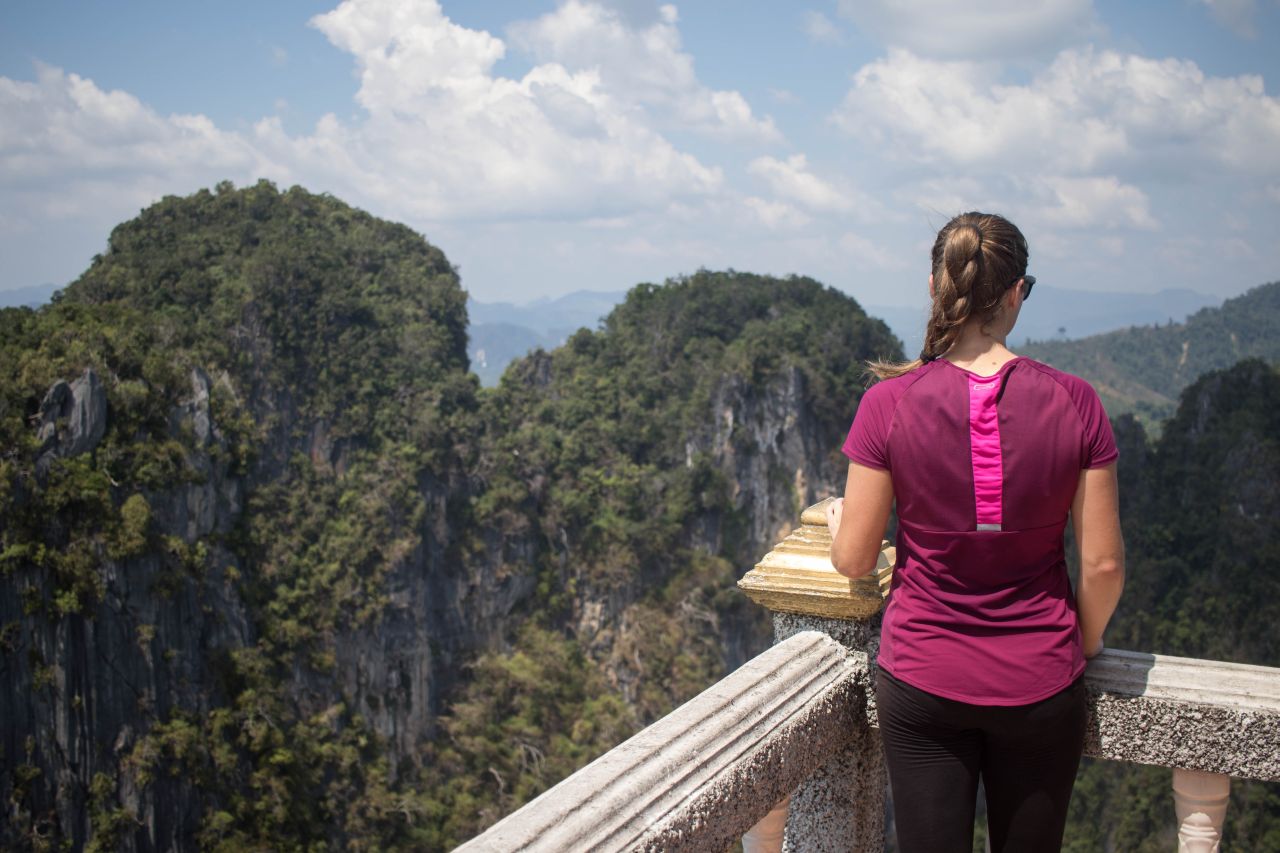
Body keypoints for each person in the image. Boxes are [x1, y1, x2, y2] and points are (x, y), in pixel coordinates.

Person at [824, 212, 1125, 853]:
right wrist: (1083, 642)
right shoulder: (1077, 402)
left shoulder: (888, 403)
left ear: (937, 286)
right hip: (1041, 679)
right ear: (1016, 292)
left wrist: (840, 525)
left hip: (923, 678)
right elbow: (1102, 566)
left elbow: (853, 561)